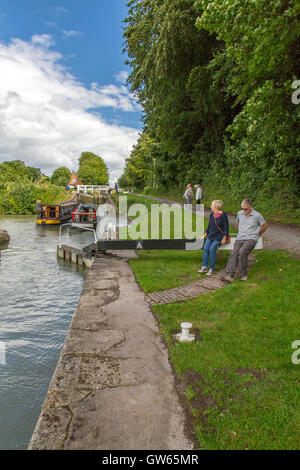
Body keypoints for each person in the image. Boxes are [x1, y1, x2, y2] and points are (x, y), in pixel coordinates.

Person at [222, 198, 268, 282]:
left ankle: (244, 275)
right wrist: (242, 231)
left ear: (250, 206)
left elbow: (265, 226)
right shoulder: (240, 213)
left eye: (245, 209)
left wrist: (257, 234)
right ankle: (229, 275)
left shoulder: (257, 215)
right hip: (240, 237)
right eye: (242, 208)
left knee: (242, 252)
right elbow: (239, 223)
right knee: (234, 253)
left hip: (251, 238)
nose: (243, 210)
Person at [199, 200, 229, 276]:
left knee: (212, 249)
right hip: (211, 235)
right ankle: (204, 267)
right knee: (205, 248)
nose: (210, 206)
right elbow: (209, 226)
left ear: (216, 207)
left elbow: (226, 228)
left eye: (212, 205)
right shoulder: (211, 215)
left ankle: (212, 268)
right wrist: (205, 234)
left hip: (219, 236)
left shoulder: (223, 215)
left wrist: (224, 237)